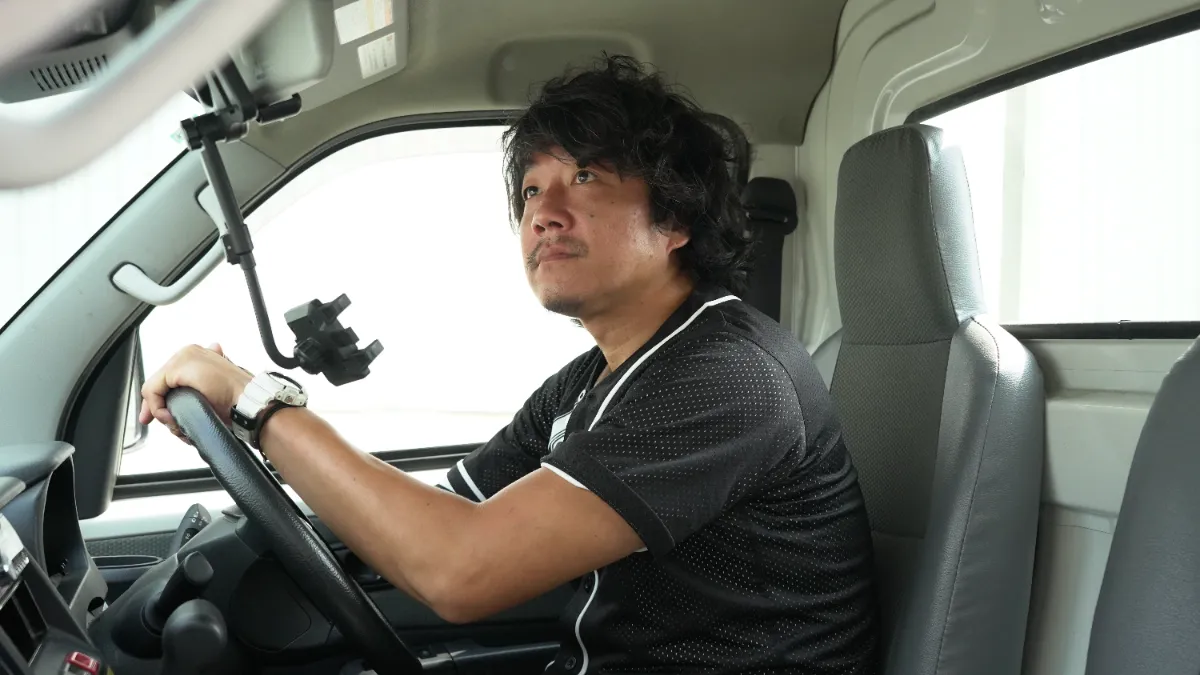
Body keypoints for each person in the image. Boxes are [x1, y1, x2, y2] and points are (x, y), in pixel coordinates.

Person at [140, 55, 881, 674]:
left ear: (676, 218)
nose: (542, 212)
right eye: (530, 190)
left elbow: (460, 569)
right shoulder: (594, 380)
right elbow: (445, 513)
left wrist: (259, 404)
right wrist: (263, 462)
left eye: (584, 178)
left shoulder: (729, 377)